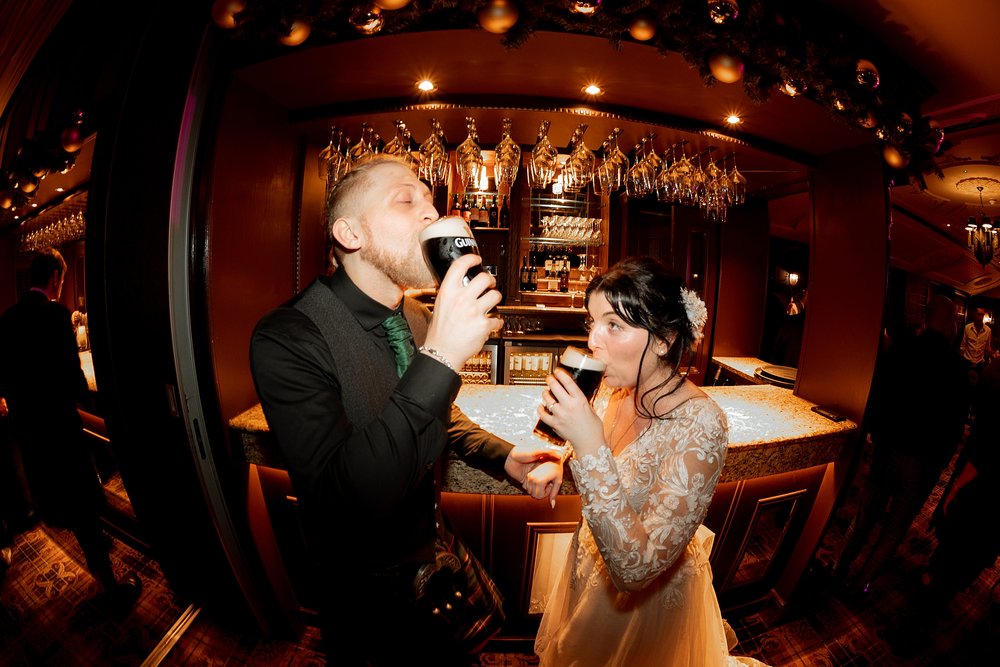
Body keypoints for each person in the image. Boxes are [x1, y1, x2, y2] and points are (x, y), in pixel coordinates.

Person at [249, 156, 561, 666]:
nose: (431, 212)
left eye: (429, 199)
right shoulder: (287, 337)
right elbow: (342, 499)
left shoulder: (415, 315)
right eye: (406, 198)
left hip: (433, 563)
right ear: (349, 233)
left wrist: (503, 456)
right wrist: (440, 356)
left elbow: (441, 413)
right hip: (364, 601)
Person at [529, 256, 767, 667]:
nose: (593, 341)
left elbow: (635, 570)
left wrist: (587, 446)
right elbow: (603, 446)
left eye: (613, 325)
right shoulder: (614, 388)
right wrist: (558, 454)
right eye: (593, 323)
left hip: (646, 604)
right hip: (588, 568)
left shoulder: (702, 424)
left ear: (664, 339)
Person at [0, 248, 141, 610]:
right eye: (61, 279)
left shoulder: (8, 320)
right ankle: (112, 588)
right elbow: (73, 377)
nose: (61, 286)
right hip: (60, 432)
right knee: (81, 503)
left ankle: (97, 547)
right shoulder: (56, 317)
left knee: (68, 502)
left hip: (32, 435)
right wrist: (94, 403)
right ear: (54, 279)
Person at [830, 294, 968, 594]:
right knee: (893, 530)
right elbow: (955, 426)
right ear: (952, 326)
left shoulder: (902, 349)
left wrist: (878, 434)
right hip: (922, 464)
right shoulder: (958, 368)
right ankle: (861, 585)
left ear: (926, 319)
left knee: (865, 516)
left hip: (888, 449)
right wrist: (940, 462)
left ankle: (838, 570)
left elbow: (879, 395)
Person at [958, 306, 992, 377]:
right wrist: (960, 362)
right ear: (974, 314)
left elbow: (987, 348)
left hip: (979, 364)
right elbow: (963, 346)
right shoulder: (967, 328)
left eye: (982, 315)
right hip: (967, 362)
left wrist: (988, 359)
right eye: (978, 314)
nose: (980, 317)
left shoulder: (988, 330)